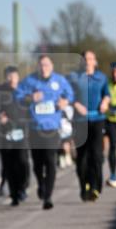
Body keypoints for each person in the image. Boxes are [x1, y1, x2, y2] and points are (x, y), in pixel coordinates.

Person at [16, 54, 74, 210]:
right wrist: (30, 98)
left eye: (46, 65)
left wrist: (65, 101)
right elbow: (18, 96)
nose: (44, 68)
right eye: (41, 65)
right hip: (34, 128)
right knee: (37, 163)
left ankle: (48, 197)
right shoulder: (29, 81)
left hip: (52, 128)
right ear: (37, 66)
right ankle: (41, 184)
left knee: (50, 161)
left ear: (52, 66)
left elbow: (70, 94)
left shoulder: (59, 80)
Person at [71, 51, 110, 201]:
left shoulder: (102, 77)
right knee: (82, 158)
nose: (88, 61)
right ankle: (84, 186)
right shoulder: (74, 77)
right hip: (80, 121)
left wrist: (105, 102)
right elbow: (68, 95)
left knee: (96, 155)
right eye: (85, 59)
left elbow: (107, 93)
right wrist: (76, 104)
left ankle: (95, 187)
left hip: (97, 119)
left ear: (95, 61)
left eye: (90, 59)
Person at [0, 66, 29, 206]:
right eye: (9, 76)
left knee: (23, 162)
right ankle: (14, 194)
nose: (12, 79)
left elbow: (31, 107)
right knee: (9, 165)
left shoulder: (24, 90)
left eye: (14, 76)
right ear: (5, 78)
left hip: (22, 132)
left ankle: (23, 187)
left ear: (18, 77)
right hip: (5, 133)